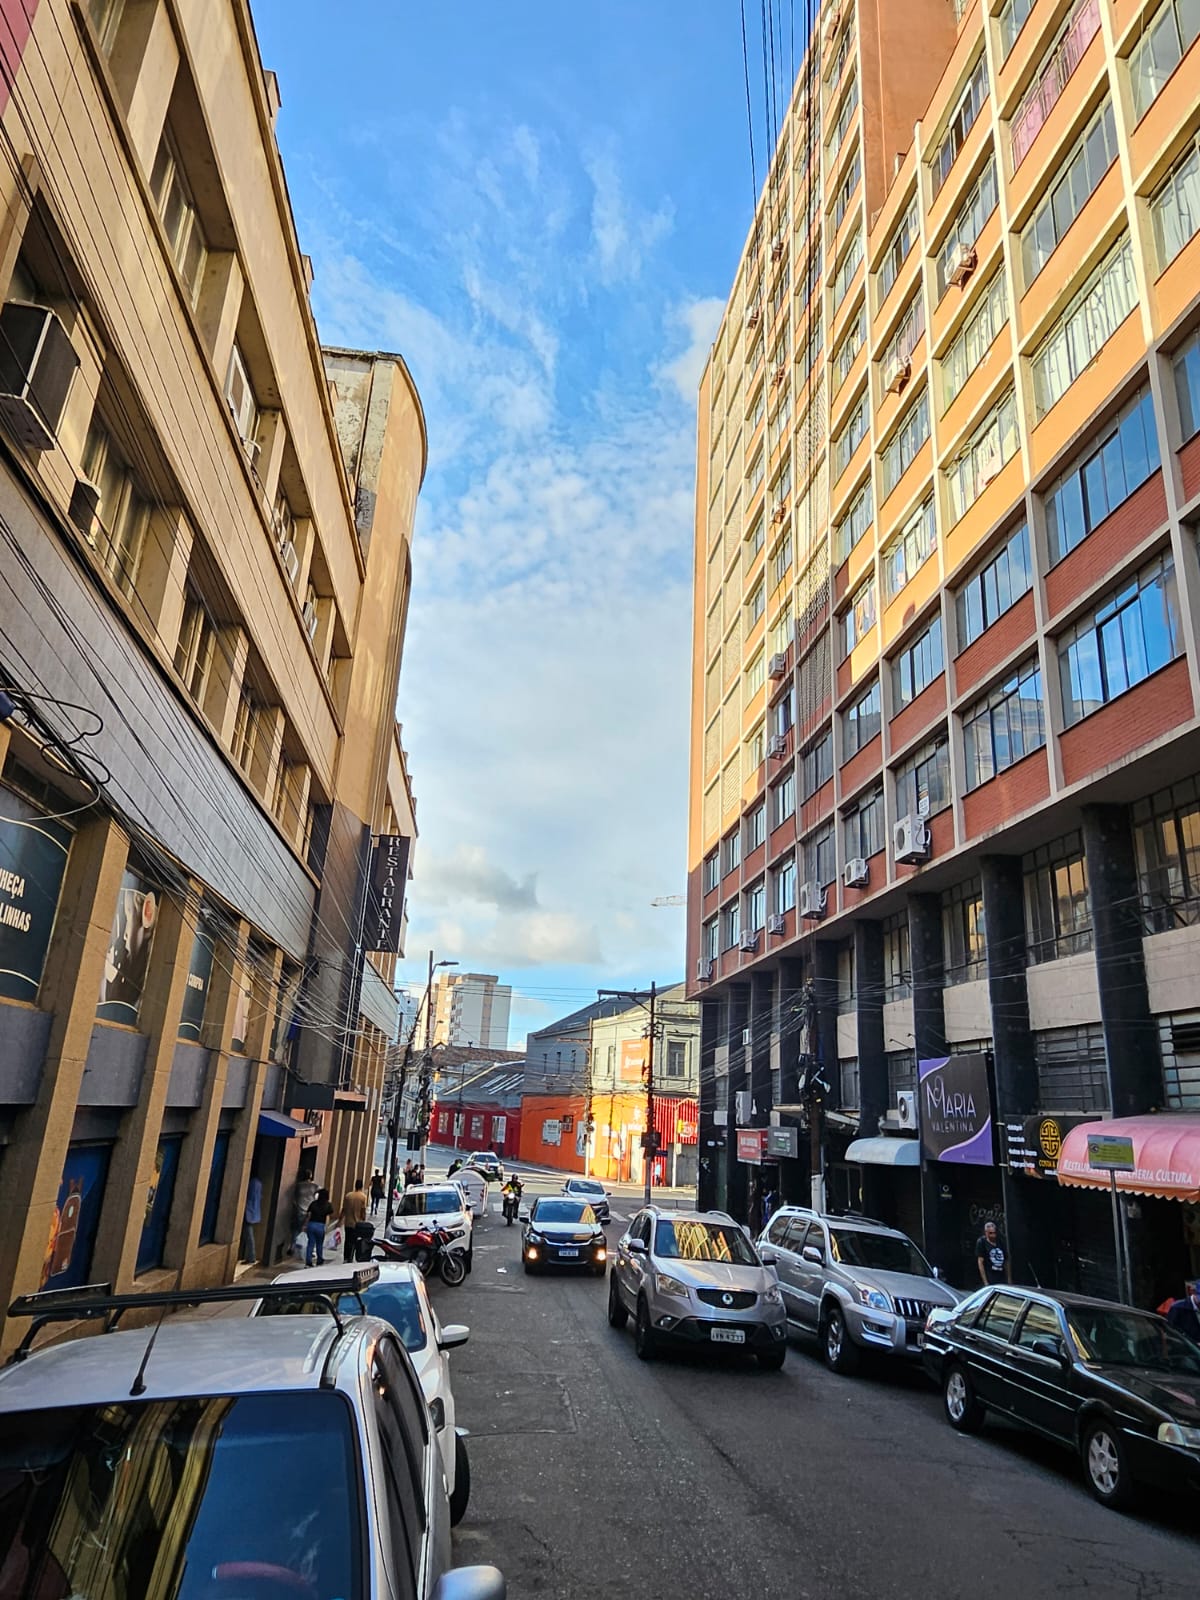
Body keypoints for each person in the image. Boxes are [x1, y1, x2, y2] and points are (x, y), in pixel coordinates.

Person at [340, 1176, 369, 1263]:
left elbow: (344, 1209)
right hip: (357, 1224)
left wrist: (340, 1219)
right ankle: (351, 1257)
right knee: (355, 1241)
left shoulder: (348, 1195)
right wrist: (364, 1220)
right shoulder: (363, 1197)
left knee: (347, 1240)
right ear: (361, 1186)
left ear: (355, 1185)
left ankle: (346, 1257)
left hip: (348, 1223)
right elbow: (363, 1211)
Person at [976, 1219, 1011, 1286]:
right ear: (986, 1233)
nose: (993, 1235)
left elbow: (1006, 1261)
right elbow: (980, 1262)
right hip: (990, 1276)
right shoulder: (982, 1242)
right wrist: (985, 1281)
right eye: (990, 1233)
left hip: (1001, 1276)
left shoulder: (1000, 1241)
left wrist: (1009, 1279)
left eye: (994, 1233)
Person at [305, 1188, 334, 1266]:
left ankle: (308, 1260)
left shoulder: (313, 1203)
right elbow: (330, 1215)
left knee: (310, 1243)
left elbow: (309, 1215)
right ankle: (319, 1259)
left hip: (311, 1224)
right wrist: (327, 1226)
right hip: (320, 1226)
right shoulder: (328, 1205)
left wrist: (305, 1225)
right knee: (319, 1244)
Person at [241, 1175, 262, 1265]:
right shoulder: (258, 1184)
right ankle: (250, 1256)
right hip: (253, 1212)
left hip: (248, 1212)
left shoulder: (252, 1183)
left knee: (249, 1235)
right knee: (249, 1235)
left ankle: (251, 1257)